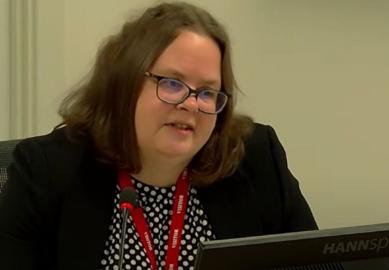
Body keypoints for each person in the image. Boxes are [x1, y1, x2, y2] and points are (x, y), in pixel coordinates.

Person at [0, 2, 317, 269]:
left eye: (207, 92)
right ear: (125, 85)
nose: (191, 104)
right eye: (172, 83)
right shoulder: (47, 171)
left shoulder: (254, 159)